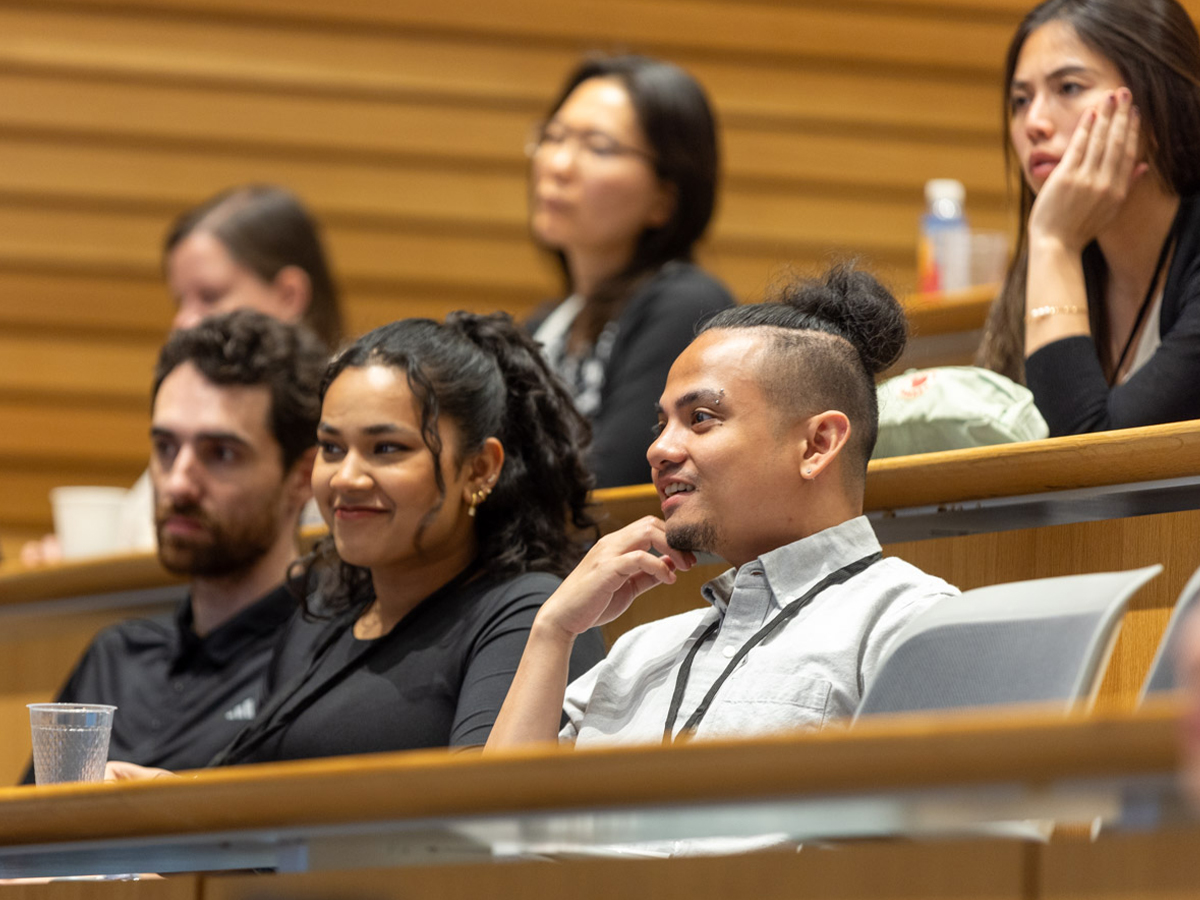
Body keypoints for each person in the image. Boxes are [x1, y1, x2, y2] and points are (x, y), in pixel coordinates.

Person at [486, 265, 959, 751]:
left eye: (701, 418)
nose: (659, 450)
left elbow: (952, 823)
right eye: (661, 425)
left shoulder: (909, 623)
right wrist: (552, 630)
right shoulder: (636, 654)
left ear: (818, 444)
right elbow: (496, 825)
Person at [200, 313, 607, 765]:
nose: (346, 478)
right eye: (332, 448)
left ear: (479, 469)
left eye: (387, 448)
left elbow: (493, 810)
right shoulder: (321, 613)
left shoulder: (531, 612)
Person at [23, 310, 326, 780]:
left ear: (303, 477)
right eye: (166, 447)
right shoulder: (116, 655)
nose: (178, 483)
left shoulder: (322, 666)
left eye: (221, 453)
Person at [20, 184, 344, 566]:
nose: (183, 322)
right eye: (180, 301)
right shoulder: (191, 415)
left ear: (289, 295)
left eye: (209, 295)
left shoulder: (341, 439)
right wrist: (73, 568)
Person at [975, 0, 1200, 434]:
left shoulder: (1055, 245)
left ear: (1156, 104)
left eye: (1069, 88)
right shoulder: (1058, 260)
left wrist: (1054, 242)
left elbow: (1087, 461)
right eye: (1020, 100)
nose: (1033, 122)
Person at [527, 55, 735, 488]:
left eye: (598, 147)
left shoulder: (686, 307)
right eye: (553, 137)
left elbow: (612, 482)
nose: (558, 165)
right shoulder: (544, 325)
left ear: (664, 197)